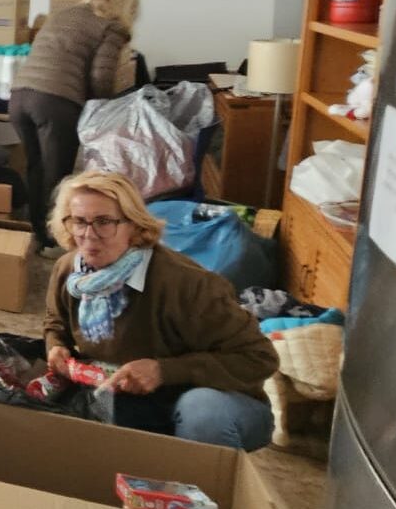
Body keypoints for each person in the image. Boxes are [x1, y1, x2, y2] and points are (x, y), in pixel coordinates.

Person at [43, 170, 279, 449]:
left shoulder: (187, 284)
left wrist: (163, 371)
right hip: (135, 401)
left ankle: (206, 473)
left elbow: (260, 358)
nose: (89, 234)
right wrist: (56, 346)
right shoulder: (69, 271)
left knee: (202, 412)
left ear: (134, 225)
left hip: (215, 401)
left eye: (104, 222)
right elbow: (56, 322)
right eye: (79, 221)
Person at [10, 0, 140, 252]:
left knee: (36, 167)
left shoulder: (65, 14)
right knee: (58, 175)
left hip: (20, 96)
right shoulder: (113, 26)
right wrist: (104, 105)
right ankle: (53, 240)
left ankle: (34, 231)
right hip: (55, 102)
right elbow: (101, 74)